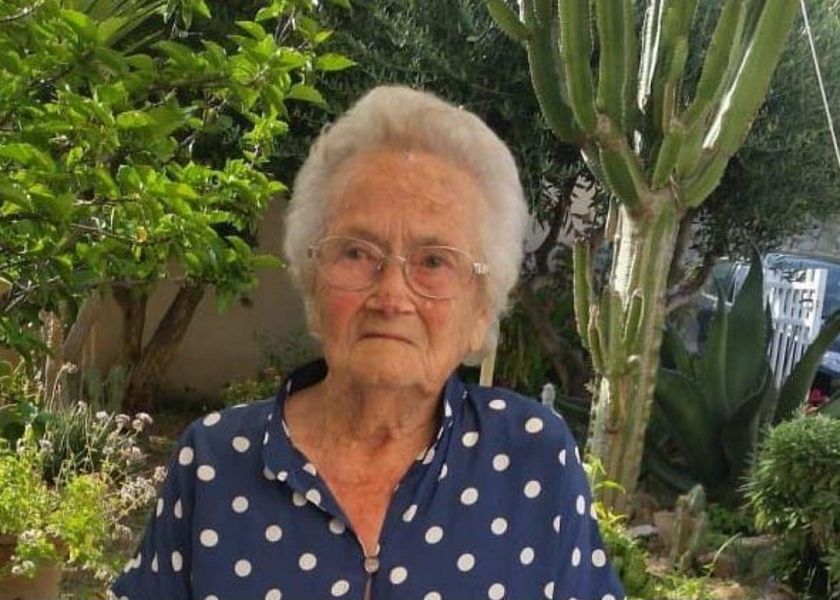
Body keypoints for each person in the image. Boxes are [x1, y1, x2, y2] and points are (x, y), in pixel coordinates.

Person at [110, 86, 625, 600]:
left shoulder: (532, 458)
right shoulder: (215, 462)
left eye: (434, 261)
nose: (391, 296)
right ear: (312, 282)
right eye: (357, 253)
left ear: (481, 310)